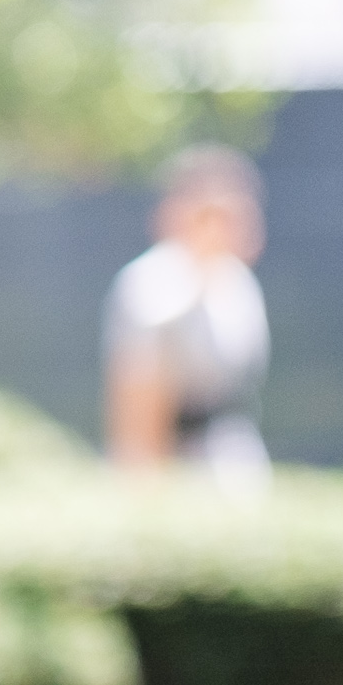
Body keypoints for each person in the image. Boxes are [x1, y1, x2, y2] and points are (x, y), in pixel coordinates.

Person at [104, 143, 272, 486]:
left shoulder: (238, 282)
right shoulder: (152, 285)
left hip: (234, 460)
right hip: (180, 467)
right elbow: (139, 401)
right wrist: (143, 486)